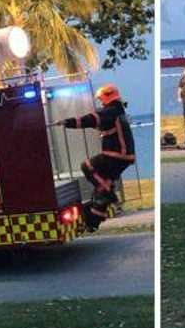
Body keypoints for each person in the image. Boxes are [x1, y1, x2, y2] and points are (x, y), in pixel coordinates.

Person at [58, 84, 136, 231]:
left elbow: (90, 119)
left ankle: (110, 195)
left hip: (118, 155)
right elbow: (99, 124)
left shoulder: (110, 111)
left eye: (101, 99)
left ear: (108, 96)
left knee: (87, 166)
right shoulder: (117, 111)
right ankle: (93, 223)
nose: (101, 102)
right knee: (101, 189)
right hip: (124, 156)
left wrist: (68, 122)